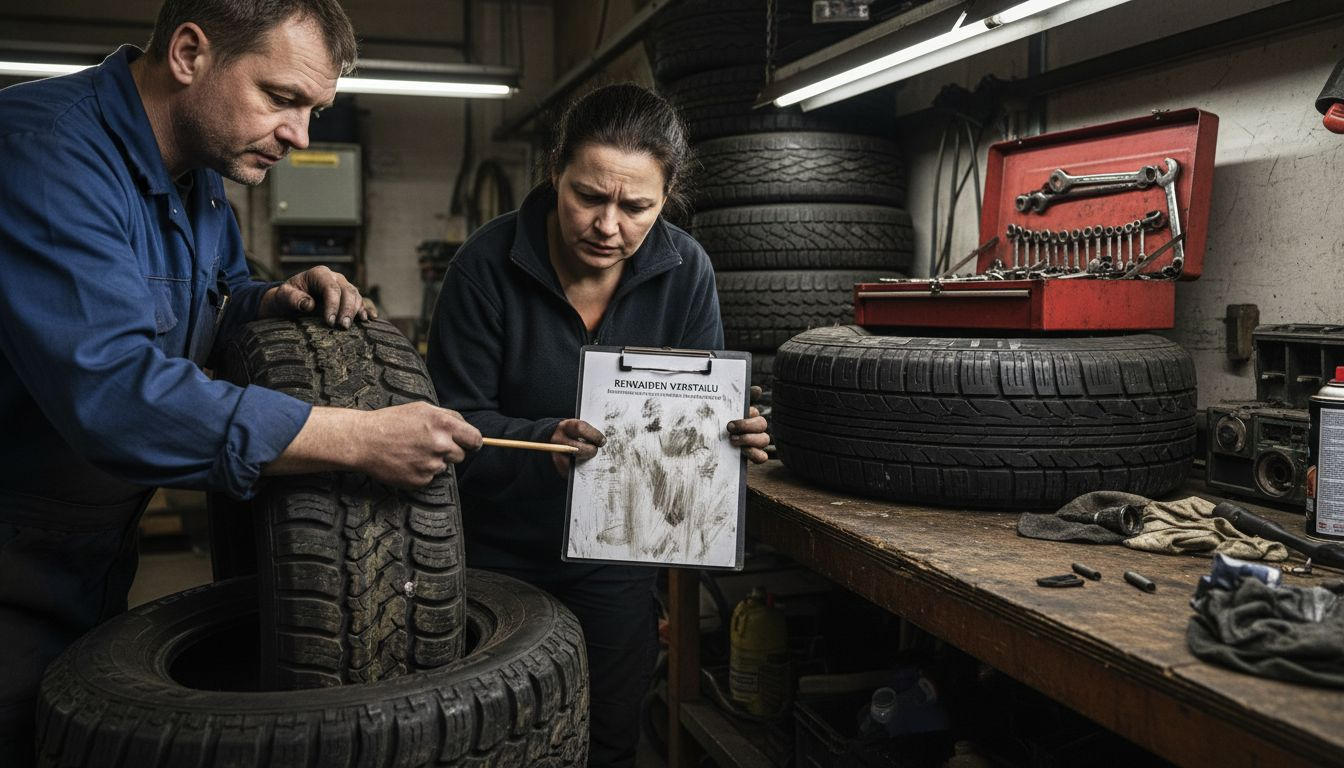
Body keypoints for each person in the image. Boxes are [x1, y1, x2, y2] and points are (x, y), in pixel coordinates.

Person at [0, 1, 481, 762]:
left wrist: (272, 298)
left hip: (86, 550)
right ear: (190, 53)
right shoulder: (45, 152)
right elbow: (116, 395)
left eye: (316, 110)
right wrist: (356, 439)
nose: (301, 135)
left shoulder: (199, 177)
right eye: (282, 98)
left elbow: (213, 297)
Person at [427, 83, 771, 767]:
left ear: (666, 199)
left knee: (607, 737)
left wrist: (735, 434)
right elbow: (449, 429)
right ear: (554, 170)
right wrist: (541, 445)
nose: (607, 225)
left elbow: (695, 412)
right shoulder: (484, 267)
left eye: (636, 206)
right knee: (491, 741)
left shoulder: (685, 270)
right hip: (494, 556)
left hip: (617, 557)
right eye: (589, 195)